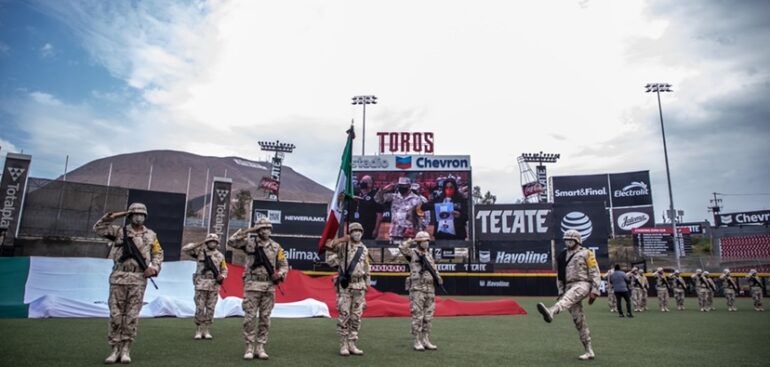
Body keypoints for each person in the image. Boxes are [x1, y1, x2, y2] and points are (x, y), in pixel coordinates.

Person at [94, 203, 164, 364]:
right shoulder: (119, 232)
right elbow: (99, 229)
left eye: (141, 214)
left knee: (132, 315)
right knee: (116, 315)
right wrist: (114, 216)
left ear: (145, 216)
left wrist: (154, 268)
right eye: (135, 214)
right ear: (130, 215)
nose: (138, 216)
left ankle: (126, 349)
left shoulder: (151, 235)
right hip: (119, 276)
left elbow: (158, 253)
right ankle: (114, 349)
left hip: (138, 278)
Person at [228, 218, 288, 360]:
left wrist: (279, 274)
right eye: (262, 228)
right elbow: (231, 241)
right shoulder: (249, 243)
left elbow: (284, 264)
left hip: (268, 287)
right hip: (252, 286)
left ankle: (260, 347)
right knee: (249, 318)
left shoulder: (276, 247)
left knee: (265, 318)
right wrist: (248, 231)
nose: (265, 231)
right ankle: (249, 346)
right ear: (258, 230)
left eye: (268, 228)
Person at [537, 230, 601, 361]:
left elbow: (594, 271)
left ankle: (551, 311)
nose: (568, 241)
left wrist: (595, 290)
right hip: (568, 286)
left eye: (571, 239)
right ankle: (589, 350)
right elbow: (559, 276)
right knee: (579, 320)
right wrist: (560, 291)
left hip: (582, 283)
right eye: (566, 239)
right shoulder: (562, 256)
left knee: (571, 296)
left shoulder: (587, 253)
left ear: (578, 240)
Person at [325, 222, 371, 357]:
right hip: (346, 286)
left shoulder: (364, 249)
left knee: (356, 316)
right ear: (350, 233)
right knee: (344, 315)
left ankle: (352, 343)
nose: (357, 233)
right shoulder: (343, 246)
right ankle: (343, 344)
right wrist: (340, 240)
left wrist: (367, 286)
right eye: (354, 231)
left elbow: (367, 268)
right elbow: (327, 248)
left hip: (359, 286)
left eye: (359, 231)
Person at [400, 231, 443, 351]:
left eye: (427, 241)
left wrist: (438, 277)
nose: (426, 243)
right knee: (417, 315)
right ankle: (417, 340)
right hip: (417, 288)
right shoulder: (412, 254)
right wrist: (411, 240)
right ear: (419, 242)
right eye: (424, 241)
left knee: (428, 316)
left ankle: (426, 339)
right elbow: (402, 248)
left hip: (430, 288)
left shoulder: (429, 255)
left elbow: (433, 268)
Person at [182, 233, 228, 339]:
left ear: (217, 243)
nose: (212, 243)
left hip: (213, 284)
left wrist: (222, 276)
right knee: (200, 307)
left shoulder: (220, 256)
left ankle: (206, 329)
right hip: (201, 283)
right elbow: (185, 249)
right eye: (210, 241)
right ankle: (198, 329)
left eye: (214, 241)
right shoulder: (199, 252)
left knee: (211, 308)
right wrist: (200, 243)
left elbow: (224, 269)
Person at [375, 177, 425, 243]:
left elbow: (420, 218)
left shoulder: (417, 199)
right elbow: (378, 200)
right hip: (394, 233)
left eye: (403, 185)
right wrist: (384, 190)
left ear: (409, 186)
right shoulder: (394, 197)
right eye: (400, 185)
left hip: (409, 235)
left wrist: (419, 233)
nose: (401, 187)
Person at [349, 175, 384, 240]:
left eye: (365, 181)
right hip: (355, 227)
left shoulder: (376, 195)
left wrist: (376, 229)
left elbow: (379, 214)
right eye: (362, 180)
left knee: (366, 248)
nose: (362, 182)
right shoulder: (355, 193)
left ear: (370, 184)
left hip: (369, 228)